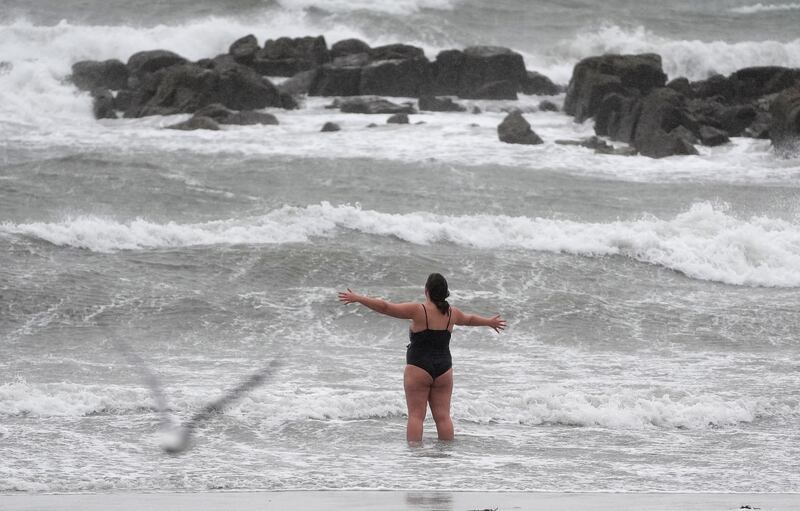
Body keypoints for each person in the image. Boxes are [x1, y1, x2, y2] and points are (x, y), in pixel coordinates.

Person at [338, 273, 506, 442]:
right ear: (445, 292)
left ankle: (416, 462)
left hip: (419, 367)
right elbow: (469, 319)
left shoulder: (419, 310)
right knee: (443, 417)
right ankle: (447, 458)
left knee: (416, 417)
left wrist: (358, 298)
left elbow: (385, 307)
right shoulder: (451, 313)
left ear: (427, 291)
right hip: (444, 369)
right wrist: (489, 322)